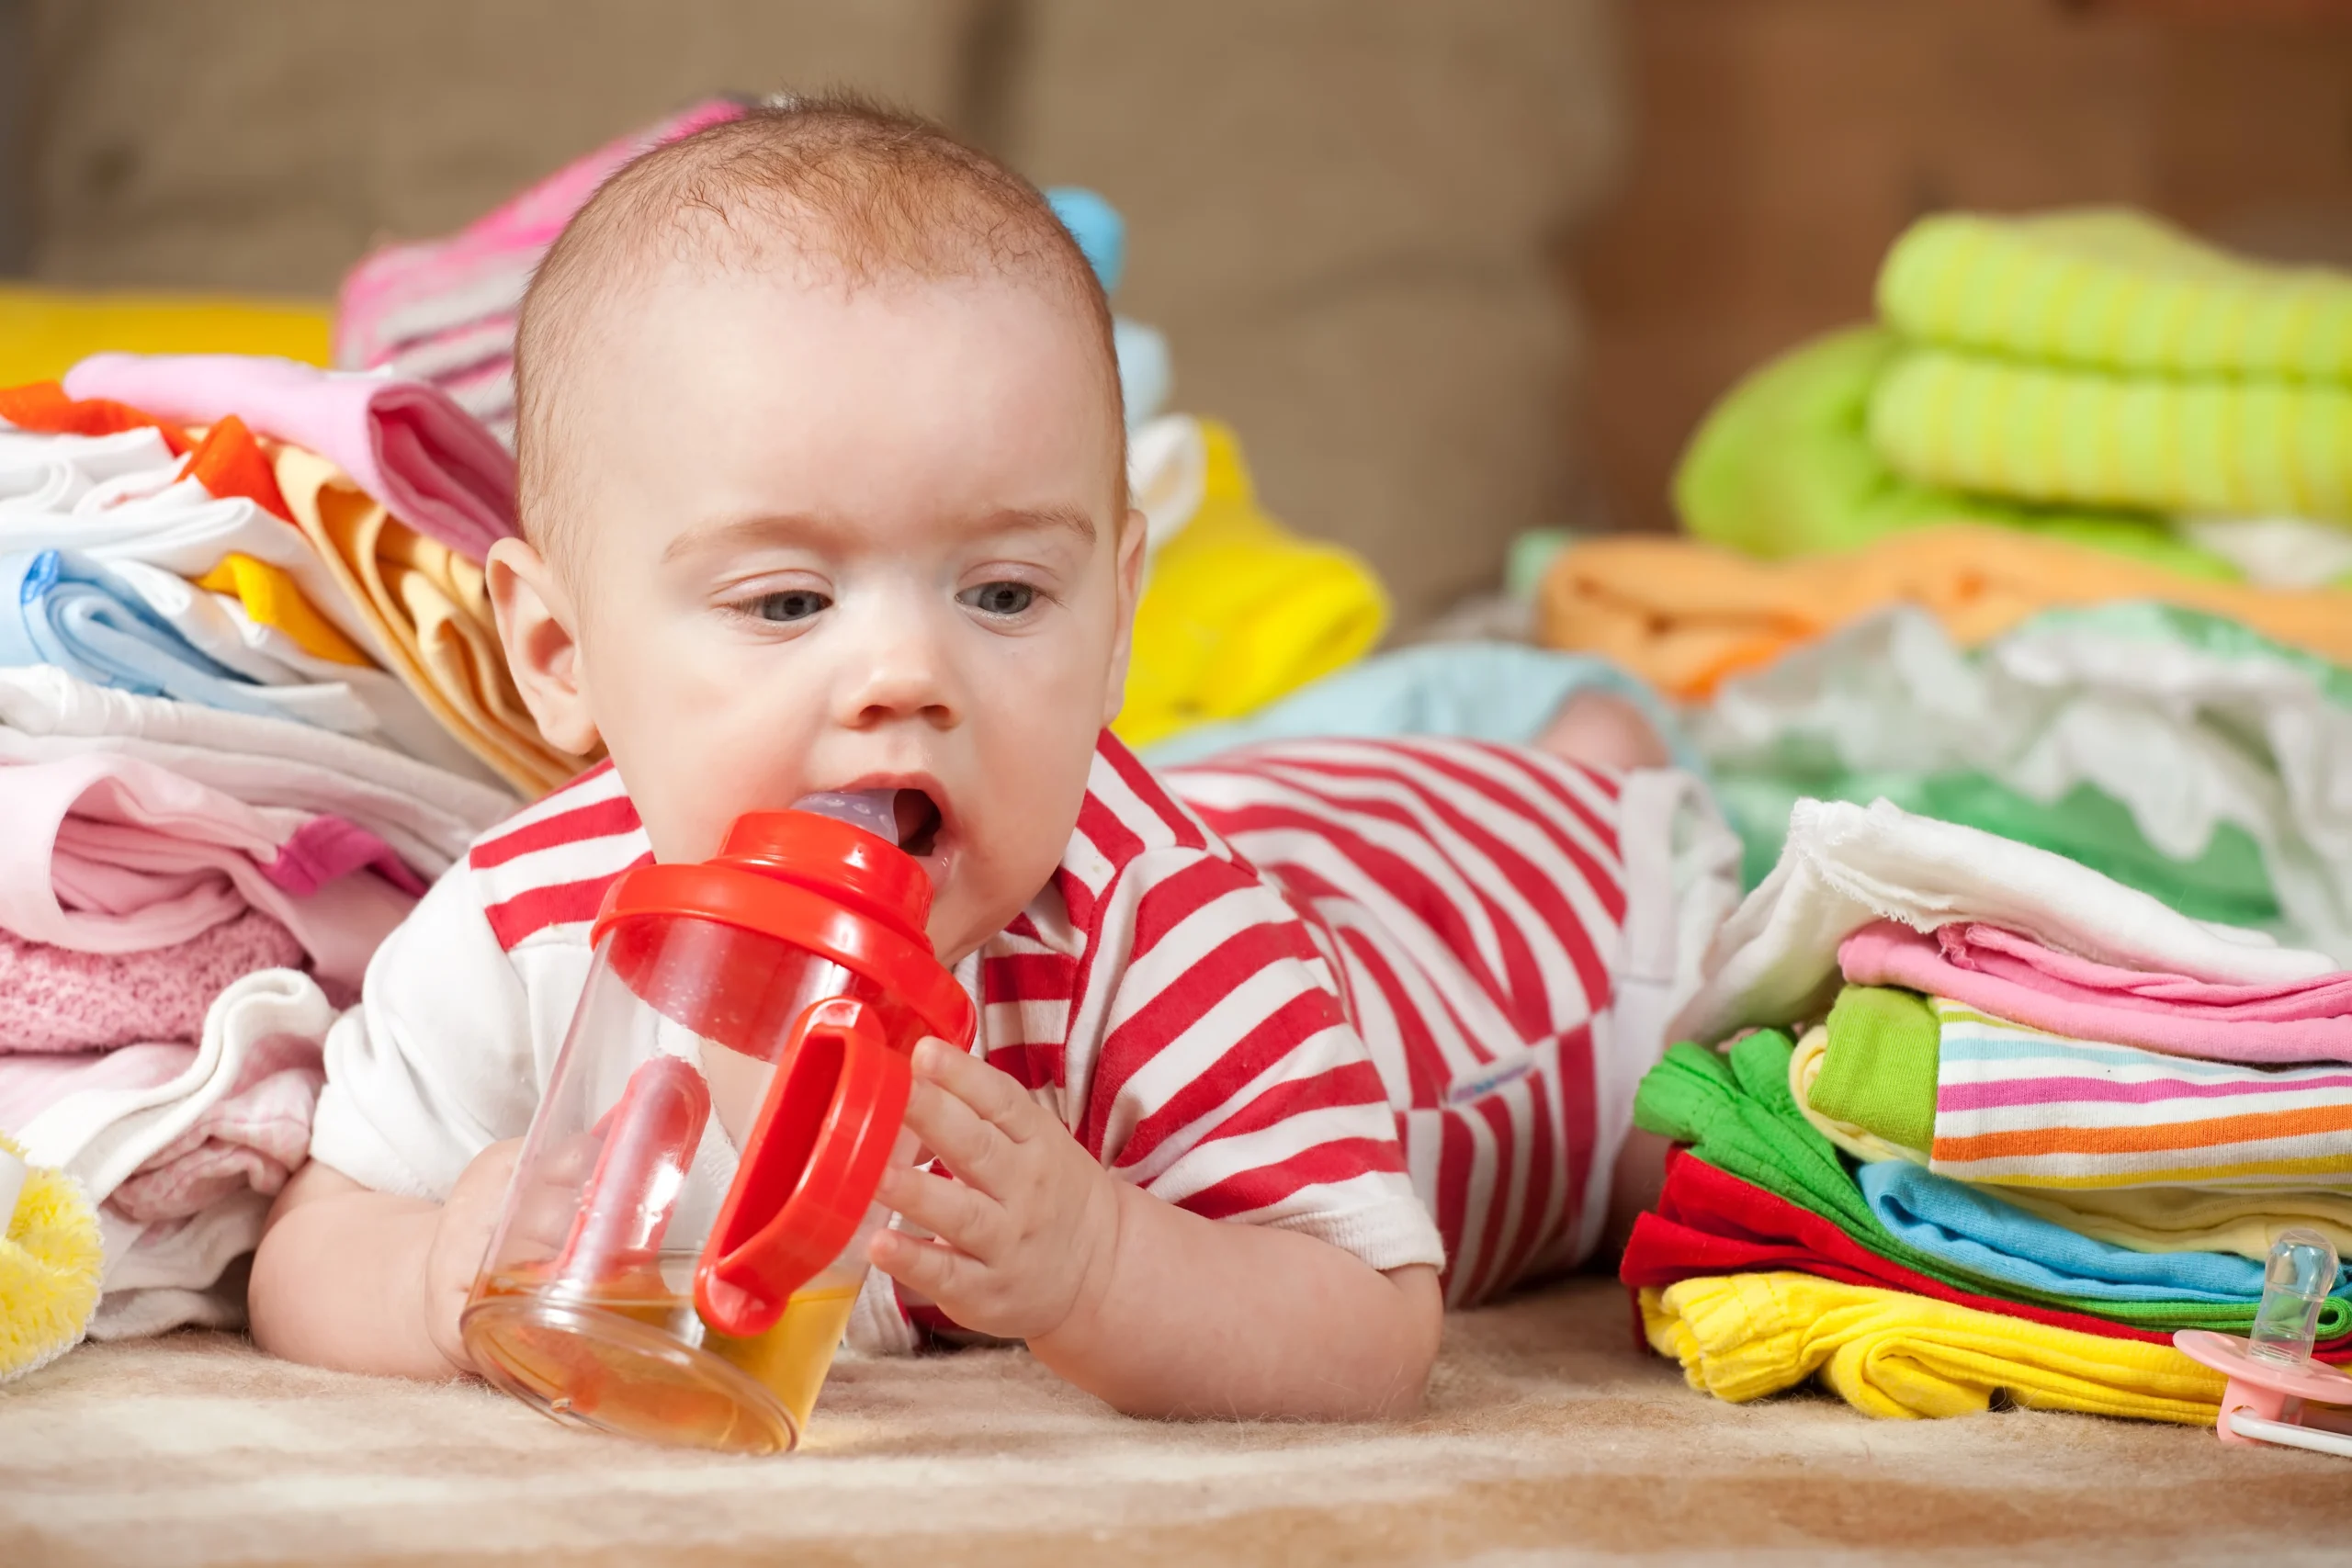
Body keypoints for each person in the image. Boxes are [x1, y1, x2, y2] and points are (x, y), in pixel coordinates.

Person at [247, 96, 1733, 1421]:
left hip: (1533, 966)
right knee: (1295, 784)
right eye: (787, 602)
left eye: (1005, 595)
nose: (907, 674)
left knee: (1678, 1106)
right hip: (1276, 812)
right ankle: (1558, 742)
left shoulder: (1165, 931)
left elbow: (1373, 1326)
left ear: (1115, 617)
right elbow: (314, 1247)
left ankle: (1593, 785)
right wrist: (444, 1265)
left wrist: (1100, 1260)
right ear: (563, 656)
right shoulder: (523, 930)